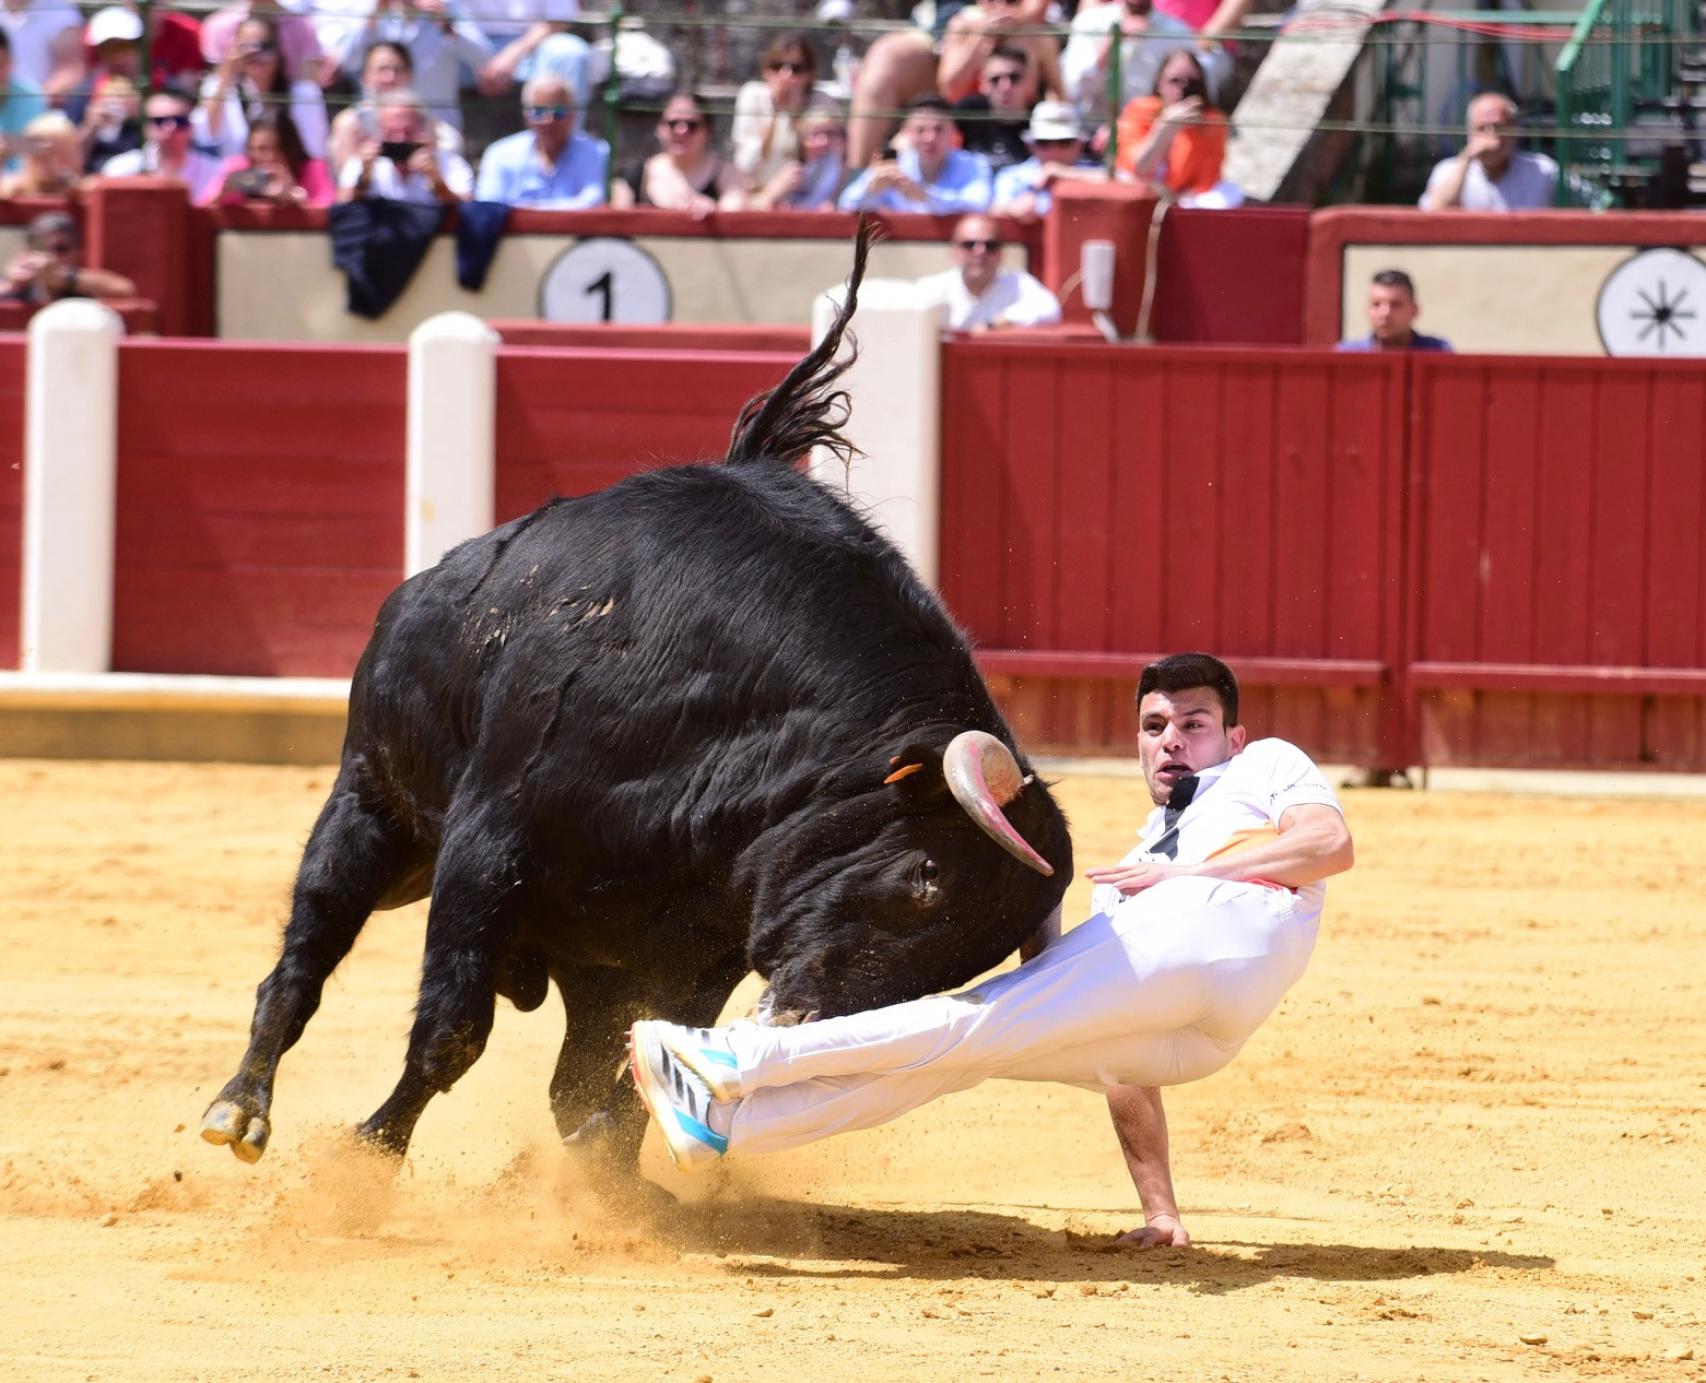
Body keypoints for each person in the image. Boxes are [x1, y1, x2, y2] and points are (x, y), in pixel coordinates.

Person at [630, 653, 1355, 1248]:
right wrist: (1161, 1207)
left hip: (1230, 926)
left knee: (970, 1020)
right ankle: (725, 1123)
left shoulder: (1261, 766)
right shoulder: (1132, 866)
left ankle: (733, 1060)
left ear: (1231, 736)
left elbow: (1330, 844)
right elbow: (1118, 1058)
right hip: (1203, 1033)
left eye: (1194, 724)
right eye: (1155, 724)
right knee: (961, 1055)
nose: (1171, 739)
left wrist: (1186, 873)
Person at [843, 0, 1062, 171]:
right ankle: (857, 175)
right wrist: (981, 36)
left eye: (1014, 78)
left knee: (1033, 38)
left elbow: (1060, 96)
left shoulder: (1037, 40)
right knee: (887, 56)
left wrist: (1018, 19)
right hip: (962, 122)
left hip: (1023, 134)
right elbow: (950, 90)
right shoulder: (964, 25)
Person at [339, 0, 491, 139]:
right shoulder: (378, 14)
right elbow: (348, 62)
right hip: (383, 129)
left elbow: (484, 59)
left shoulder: (448, 9)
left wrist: (446, 24)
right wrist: (372, 18)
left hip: (437, 129)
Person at [1062, 0, 1227, 127]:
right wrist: (1112, 43)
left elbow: (1200, 98)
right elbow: (1074, 90)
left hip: (1150, 140)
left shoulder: (1177, 33)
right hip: (1090, 134)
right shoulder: (1090, 22)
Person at [197, 14, 329, 162]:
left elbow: (314, 151)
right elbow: (205, 136)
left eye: (265, 47)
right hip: (235, 179)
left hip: (290, 178)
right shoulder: (218, 88)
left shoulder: (304, 94)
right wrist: (226, 75)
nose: (255, 54)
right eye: (246, 47)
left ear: (278, 52)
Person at [837, 95, 992, 214]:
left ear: (953, 130)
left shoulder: (974, 163)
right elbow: (847, 204)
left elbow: (979, 204)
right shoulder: (895, 165)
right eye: (920, 130)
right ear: (906, 131)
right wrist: (870, 190)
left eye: (939, 129)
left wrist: (925, 196)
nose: (930, 138)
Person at [1114, 47, 1229, 202]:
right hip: (1139, 191)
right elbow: (1137, 168)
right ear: (1160, 83)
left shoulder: (1212, 121)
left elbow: (1207, 178)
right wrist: (1166, 126)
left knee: (1224, 196)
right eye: (1175, 81)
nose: (1181, 90)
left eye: (1192, 83)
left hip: (1185, 198)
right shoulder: (1139, 110)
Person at [473, 73, 604, 208]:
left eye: (558, 112)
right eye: (538, 112)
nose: (548, 120)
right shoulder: (500, 153)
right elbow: (488, 206)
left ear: (574, 113)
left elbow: (592, 201)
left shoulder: (596, 152)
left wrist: (531, 210)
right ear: (525, 114)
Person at [913, 213, 1062, 330]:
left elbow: (1050, 308)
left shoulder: (1017, 282)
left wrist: (997, 324)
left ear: (1000, 254)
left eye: (990, 245)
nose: (980, 252)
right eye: (969, 245)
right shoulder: (933, 288)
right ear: (954, 252)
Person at [609, 91, 741, 216]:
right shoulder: (638, 176)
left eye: (692, 125)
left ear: (707, 130)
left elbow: (737, 219)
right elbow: (618, 220)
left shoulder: (726, 174)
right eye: (672, 123)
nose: (681, 130)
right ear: (659, 128)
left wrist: (715, 211)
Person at [1420, 92, 1558, 212]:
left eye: (1498, 128)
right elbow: (1435, 215)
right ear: (1469, 132)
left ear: (1514, 131)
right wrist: (1465, 159)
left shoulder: (1541, 170)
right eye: (1481, 128)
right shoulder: (1447, 171)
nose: (1491, 138)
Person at [337, 86, 469, 204]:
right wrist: (364, 177)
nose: (399, 139)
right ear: (379, 130)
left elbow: (468, 211)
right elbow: (342, 206)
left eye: (408, 131)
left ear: (423, 129)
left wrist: (437, 182)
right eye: (391, 132)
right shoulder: (361, 163)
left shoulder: (450, 163)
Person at [100, 87, 225, 201]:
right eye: (160, 121)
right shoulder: (120, 170)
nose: (170, 127)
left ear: (191, 125)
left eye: (180, 121)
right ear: (146, 127)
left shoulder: (216, 174)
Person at [730, 32, 816, 195]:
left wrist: (795, 115)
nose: (786, 75)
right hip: (757, 194)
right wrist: (776, 112)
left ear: (809, 75)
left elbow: (815, 165)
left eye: (796, 69)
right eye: (777, 67)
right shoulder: (753, 95)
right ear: (766, 71)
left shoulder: (820, 102)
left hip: (802, 198)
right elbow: (745, 164)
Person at [991, 98, 1102, 219]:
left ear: (1079, 144)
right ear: (1031, 145)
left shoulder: (1096, 173)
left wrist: (1067, 174)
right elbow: (995, 208)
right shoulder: (1012, 177)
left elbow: (1123, 180)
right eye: (1043, 142)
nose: (1053, 150)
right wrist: (1012, 208)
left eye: (1064, 142)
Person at [201, 110, 333, 206]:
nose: (268, 157)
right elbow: (201, 211)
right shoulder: (238, 170)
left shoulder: (312, 168)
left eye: (277, 148)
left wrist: (294, 198)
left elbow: (329, 212)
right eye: (258, 149)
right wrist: (220, 196)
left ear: (291, 147)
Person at [2, 209, 135, 303]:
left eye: (61, 249)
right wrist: (13, 285)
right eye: (41, 249)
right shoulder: (19, 285)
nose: (51, 256)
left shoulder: (82, 284)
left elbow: (124, 289)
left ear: (78, 252)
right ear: (26, 252)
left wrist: (61, 278)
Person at [741, 98, 846, 210]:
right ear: (802, 139)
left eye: (830, 134)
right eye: (815, 134)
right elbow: (758, 205)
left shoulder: (841, 167)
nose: (823, 141)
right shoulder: (788, 167)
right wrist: (775, 191)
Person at [952, 44, 1034, 173]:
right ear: (983, 84)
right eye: (995, 79)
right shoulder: (971, 111)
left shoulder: (1041, 117)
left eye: (1014, 78)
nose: (1005, 87)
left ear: (1029, 81)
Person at [1336, 269, 1453, 353]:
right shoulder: (1347, 354)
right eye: (1376, 304)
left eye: (1395, 305)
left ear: (1414, 311)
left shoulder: (1437, 352)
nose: (1385, 313)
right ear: (1367, 310)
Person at [0, 27, 48, 172]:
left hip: (23, 184)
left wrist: (6, 146)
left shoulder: (31, 95)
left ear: (11, 62)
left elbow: (41, 144)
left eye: (0, 65)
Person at [0, 106, 75, 194]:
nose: (44, 162)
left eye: (51, 154)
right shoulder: (16, 188)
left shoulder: (72, 190)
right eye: (37, 155)